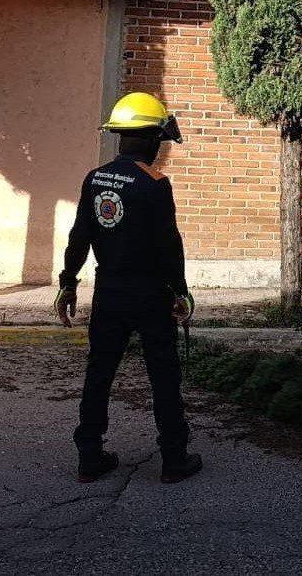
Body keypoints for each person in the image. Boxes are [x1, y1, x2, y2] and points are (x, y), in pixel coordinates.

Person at [54, 92, 201, 484]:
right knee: (163, 376)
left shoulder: (95, 177)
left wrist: (68, 283)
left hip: (109, 293)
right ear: (152, 140)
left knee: (99, 373)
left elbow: (79, 236)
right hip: (150, 295)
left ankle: (89, 456)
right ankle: (174, 458)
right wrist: (181, 292)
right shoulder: (155, 184)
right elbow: (169, 245)